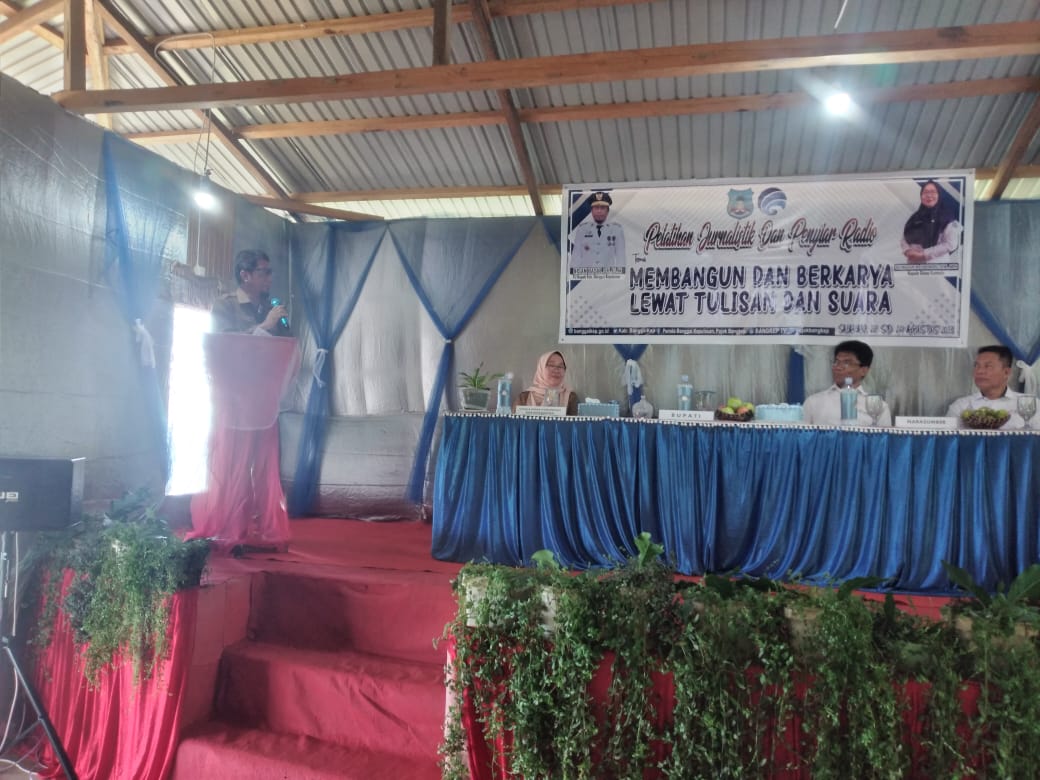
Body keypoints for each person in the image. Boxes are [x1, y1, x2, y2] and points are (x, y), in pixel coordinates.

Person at [802, 340, 892, 426]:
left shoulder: (878, 408)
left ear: (864, 370)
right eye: (836, 362)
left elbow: (884, 436)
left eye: (846, 363)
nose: (838, 367)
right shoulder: (814, 402)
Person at [212, 249, 292, 335]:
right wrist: (265, 326)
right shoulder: (225, 305)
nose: (270, 279)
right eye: (264, 273)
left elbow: (288, 341)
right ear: (245, 276)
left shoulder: (270, 308)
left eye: (270, 273)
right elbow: (225, 340)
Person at [946, 345, 1026, 430]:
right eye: (977, 366)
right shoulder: (960, 406)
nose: (979, 371)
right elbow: (948, 437)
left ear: (1006, 372)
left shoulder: (1027, 405)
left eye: (988, 366)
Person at [900, 179, 962, 264]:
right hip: (914, 265)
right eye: (925, 192)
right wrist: (907, 251)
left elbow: (951, 244)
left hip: (936, 265)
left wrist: (924, 254)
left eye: (933, 192)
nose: (929, 195)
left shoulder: (947, 217)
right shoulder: (915, 217)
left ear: (939, 195)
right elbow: (905, 237)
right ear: (921, 196)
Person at [568, 191, 627, 272]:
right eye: (596, 208)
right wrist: (572, 275)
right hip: (587, 277)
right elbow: (576, 256)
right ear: (591, 211)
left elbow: (621, 258)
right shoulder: (582, 229)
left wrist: (620, 276)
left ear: (608, 211)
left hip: (609, 277)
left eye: (602, 208)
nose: (599, 211)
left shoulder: (616, 230)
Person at [516, 351, 579, 415]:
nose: (556, 370)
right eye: (551, 365)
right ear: (541, 368)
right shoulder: (524, 397)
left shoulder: (570, 397)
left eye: (560, 366)